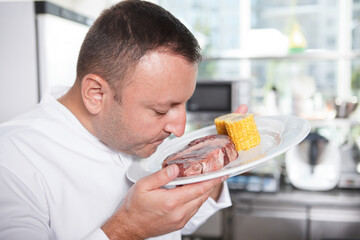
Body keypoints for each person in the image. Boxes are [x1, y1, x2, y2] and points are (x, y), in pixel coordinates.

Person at [0, 1, 247, 239]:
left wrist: (215, 165)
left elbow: (174, 224)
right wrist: (128, 229)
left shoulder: (144, 136)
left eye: (185, 103)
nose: (179, 129)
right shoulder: (12, 160)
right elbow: (142, 227)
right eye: (161, 110)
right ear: (96, 94)